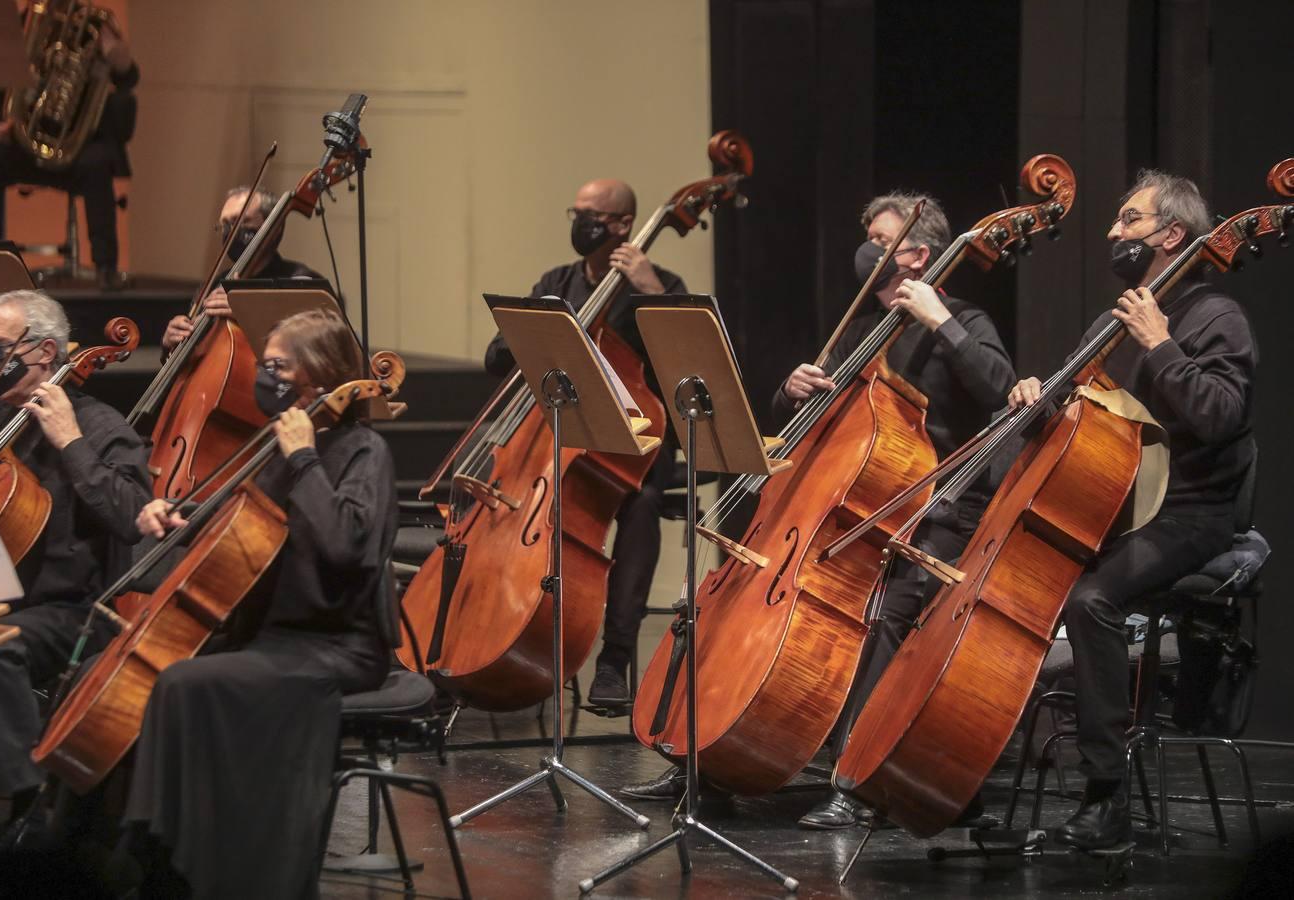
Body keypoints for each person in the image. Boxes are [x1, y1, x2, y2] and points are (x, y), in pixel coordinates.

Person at [619, 193, 1016, 808]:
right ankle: (704, 756)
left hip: (931, 506)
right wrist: (790, 390)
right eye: (868, 236)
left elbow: (1000, 389)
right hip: (843, 507)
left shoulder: (961, 317)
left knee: (888, 617)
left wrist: (942, 321)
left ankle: (857, 782)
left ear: (919, 254)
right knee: (728, 599)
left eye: (882, 239)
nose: (868, 249)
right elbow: (800, 428)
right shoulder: (860, 327)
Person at [1008, 170, 1256, 850]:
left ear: (1171, 235)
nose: (1114, 232)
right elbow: (1076, 415)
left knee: (1091, 601)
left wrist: (1161, 343)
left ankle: (1106, 796)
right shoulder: (1117, 316)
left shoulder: (1214, 317)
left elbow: (1220, 415)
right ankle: (965, 772)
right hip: (1119, 508)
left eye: (1130, 220)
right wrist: (1039, 397)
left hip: (1190, 514)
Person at [124, 308, 395, 898]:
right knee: (164, 678)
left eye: (277, 367)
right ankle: (163, 855)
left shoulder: (361, 450)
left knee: (185, 685)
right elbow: (245, 527)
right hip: (273, 636)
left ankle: (184, 860)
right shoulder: (277, 445)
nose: (264, 378)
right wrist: (178, 517)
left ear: (320, 379)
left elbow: (345, 546)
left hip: (338, 645)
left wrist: (303, 458)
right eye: (264, 365)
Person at [0, 290, 150, 827]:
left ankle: (28, 799)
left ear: (41, 352)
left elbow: (132, 515)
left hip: (71, 609)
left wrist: (71, 444)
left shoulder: (99, 425)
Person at [484, 178, 687, 708]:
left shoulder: (662, 282)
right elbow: (500, 351)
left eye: (591, 213)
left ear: (622, 224)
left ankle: (614, 658)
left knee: (641, 504)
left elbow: (686, 365)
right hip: (562, 431)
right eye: (576, 211)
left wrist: (650, 291)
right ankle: (508, 629)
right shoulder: (557, 281)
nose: (581, 221)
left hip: (636, 440)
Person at [0, 8, 138, 287]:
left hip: (76, 146)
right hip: (22, 140)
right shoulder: (19, 27)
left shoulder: (94, 27)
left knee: (98, 164)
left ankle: (106, 269)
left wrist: (116, 55)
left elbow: (128, 79)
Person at [160, 186, 323, 353]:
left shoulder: (300, 282)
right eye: (225, 225)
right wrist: (171, 345)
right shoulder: (214, 285)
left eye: (242, 221)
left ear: (274, 227)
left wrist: (251, 319)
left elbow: (317, 348)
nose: (230, 232)